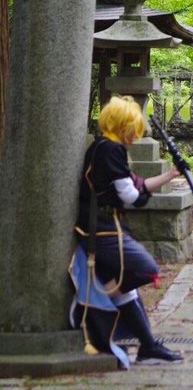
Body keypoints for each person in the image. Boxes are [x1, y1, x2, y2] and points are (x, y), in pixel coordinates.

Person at [70, 95, 184, 366]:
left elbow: (136, 186)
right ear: (122, 126)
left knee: (125, 290)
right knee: (145, 269)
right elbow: (131, 196)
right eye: (133, 129)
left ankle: (148, 346)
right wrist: (141, 196)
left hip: (105, 226)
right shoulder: (112, 150)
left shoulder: (103, 147)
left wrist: (170, 175)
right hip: (103, 230)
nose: (136, 135)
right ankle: (96, 303)